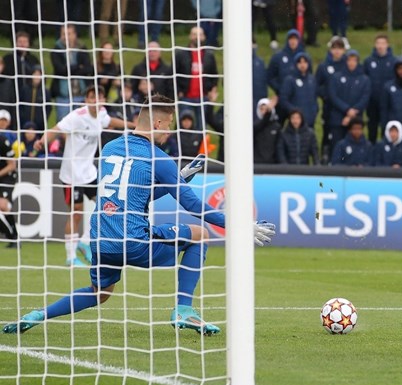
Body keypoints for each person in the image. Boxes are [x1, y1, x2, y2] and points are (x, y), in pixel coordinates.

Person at [3, 94, 277, 336]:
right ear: (157, 123)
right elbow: (193, 207)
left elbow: (133, 192)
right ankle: (183, 309)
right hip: (133, 241)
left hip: (101, 239)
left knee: (100, 292)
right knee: (200, 235)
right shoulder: (158, 157)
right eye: (169, 125)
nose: (169, 131)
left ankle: (39, 314)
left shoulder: (109, 148)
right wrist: (241, 225)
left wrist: (178, 178)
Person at [33, 86, 135, 267]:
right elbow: (55, 129)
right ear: (86, 100)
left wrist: (134, 126)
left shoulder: (102, 114)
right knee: (76, 213)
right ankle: (70, 257)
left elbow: (112, 121)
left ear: (103, 100)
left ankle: (85, 241)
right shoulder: (77, 117)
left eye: (99, 97)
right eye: (91, 97)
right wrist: (42, 140)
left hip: (89, 172)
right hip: (71, 174)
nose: (95, 100)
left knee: (107, 205)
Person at [174, 26, 219, 130]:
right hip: (186, 97)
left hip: (203, 97)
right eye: (194, 34)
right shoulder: (181, 54)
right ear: (190, 36)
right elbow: (174, 74)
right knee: (183, 127)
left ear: (204, 37)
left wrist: (213, 89)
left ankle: (200, 146)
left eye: (200, 34)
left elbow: (214, 74)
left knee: (201, 127)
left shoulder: (209, 55)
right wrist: (178, 91)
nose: (197, 37)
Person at [327, 50, 371, 152]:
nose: (351, 63)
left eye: (354, 60)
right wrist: (347, 110)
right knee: (337, 148)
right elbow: (333, 96)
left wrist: (352, 113)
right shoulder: (336, 77)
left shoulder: (364, 79)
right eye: (349, 60)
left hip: (356, 120)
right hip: (338, 119)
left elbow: (365, 98)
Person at [51, 24, 94, 122]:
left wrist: (69, 69)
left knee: (82, 125)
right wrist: (79, 67)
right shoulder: (56, 50)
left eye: (69, 34)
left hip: (81, 96)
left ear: (74, 34)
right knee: (63, 126)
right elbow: (60, 70)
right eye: (63, 34)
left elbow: (88, 69)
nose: (66, 37)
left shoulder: (82, 48)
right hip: (63, 97)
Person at [363, 34, 397, 142]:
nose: (380, 46)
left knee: (386, 128)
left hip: (388, 102)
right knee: (372, 128)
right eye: (378, 43)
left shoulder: (394, 62)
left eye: (383, 43)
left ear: (387, 45)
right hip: (372, 102)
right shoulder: (368, 61)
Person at [267, 29, 304, 95]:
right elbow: (270, 77)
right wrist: (279, 89)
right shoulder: (278, 57)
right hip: (283, 94)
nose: (293, 42)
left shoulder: (303, 57)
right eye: (291, 39)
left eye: (295, 39)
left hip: (299, 94)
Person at [0, 131, 19, 248]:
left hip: (7, 176)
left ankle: (14, 237)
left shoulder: (2, 141)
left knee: (3, 204)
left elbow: (12, 165)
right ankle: (12, 236)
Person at [254, 97, 282, 164]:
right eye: (261, 109)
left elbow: (279, 148)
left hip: (271, 164)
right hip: (256, 163)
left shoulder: (276, 127)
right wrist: (268, 112)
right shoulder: (254, 125)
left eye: (266, 109)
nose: (264, 112)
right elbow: (262, 123)